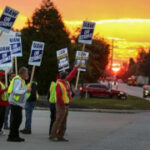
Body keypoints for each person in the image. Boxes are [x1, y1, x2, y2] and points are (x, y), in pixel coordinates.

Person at [50, 64, 80, 142]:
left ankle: (60, 136)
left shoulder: (65, 82)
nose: (68, 77)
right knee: (58, 120)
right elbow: (58, 96)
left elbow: (71, 75)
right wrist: (63, 105)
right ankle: (53, 135)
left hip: (66, 104)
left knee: (63, 121)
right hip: (61, 104)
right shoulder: (59, 84)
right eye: (67, 76)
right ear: (64, 77)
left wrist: (76, 68)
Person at [7, 67, 31, 142]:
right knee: (16, 120)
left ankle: (15, 135)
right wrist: (26, 90)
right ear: (23, 73)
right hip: (15, 102)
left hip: (18, 103)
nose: (27, 75)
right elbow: (16, 91)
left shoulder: (21, 80)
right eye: (26, 73)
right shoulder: (18, 80)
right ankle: (12, 136)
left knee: (17, 120)